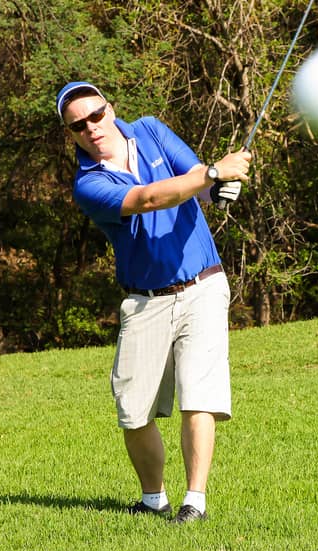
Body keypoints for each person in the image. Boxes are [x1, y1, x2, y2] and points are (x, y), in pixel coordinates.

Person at [55, 81, 252, 524]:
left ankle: (194, 503)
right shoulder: (89, 184)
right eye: (78, 126)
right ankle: (153, 499)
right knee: (133, 410)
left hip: (203, 284)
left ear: (110, 108)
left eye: (96, 115)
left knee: (198, 396)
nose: (91, 128)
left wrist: (216, 188)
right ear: (71, 135)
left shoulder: (151, 131)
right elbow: (148, 198)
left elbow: (195, 178)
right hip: (145, 302)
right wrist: (214, 175)